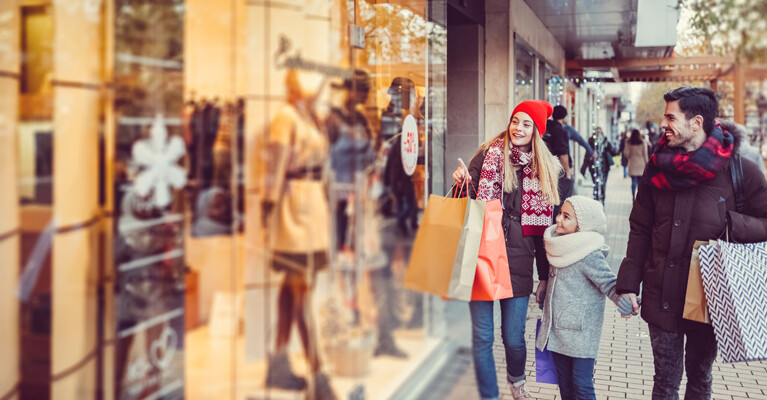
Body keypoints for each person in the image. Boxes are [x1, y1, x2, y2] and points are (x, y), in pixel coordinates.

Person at [616, 86, 767, 399]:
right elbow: (640, 226)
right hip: (661, 294)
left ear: (696, 122)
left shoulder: (741, 170)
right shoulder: (656, 166)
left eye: (671, 116)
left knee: (700, 379)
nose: (663, 123)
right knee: (665, 383)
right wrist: (628, 284)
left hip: (710, 299)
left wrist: (731, 225)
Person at [452, 100, 562, 400]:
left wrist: (545, 276)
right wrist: (463, 182)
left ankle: (517, 383)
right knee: (483, 336)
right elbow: (468, 198)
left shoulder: (545, 168)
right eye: (515, 121)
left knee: (513, 338)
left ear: (537, 131)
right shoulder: (488, 153)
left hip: (520, 259)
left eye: (527, 124)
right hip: (483, 252)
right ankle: (489, 395)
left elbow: (543, 232)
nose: (518, 128)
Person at [261, 69, 336, 400]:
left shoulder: (310, 118)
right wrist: (267, 205)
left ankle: (278, 363)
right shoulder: (286, 117)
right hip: (292, 209)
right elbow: (274, 166)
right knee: (301, 288)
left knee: (293, 289)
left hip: (312, 207)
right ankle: (317, 373)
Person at [536, 196, 635, 400]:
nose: (558, 219)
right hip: (557, 329)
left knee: (582, 385)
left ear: (582, 225)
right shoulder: (558, 245)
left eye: (566, 216)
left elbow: (608, 283)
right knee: (564, 384)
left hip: (581, 333)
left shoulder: (589, 254)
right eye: (560, 213)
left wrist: (625, 301)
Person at [543, 105, 571, 218]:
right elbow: (563, 154)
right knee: (561, 204)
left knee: (550, 202)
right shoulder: (559, 130)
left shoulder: (546, 128)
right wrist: (568, 175)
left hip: (545, 170)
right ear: (564, 116)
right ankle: (557, 228)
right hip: (558, 173)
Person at [581, 127, 615, 202]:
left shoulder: (605, 142)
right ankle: (597, 201)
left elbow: (613, 152)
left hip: (604, 168)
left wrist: (608, 146)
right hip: (594, 168)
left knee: (601, 185)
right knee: (597, 185)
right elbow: (587, 155)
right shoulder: (591, 142)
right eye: (597, 132)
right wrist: (583, 168)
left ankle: (601, 201)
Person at [623, 129, 650, 197]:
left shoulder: (629, 142)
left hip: (633, 164)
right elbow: (645, 154)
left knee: (633, 182)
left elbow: (626, 154)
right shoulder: (643, 142)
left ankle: (633, 196)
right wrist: (647, 164)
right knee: (640, 183)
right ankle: (640, 196)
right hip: (641, 164)